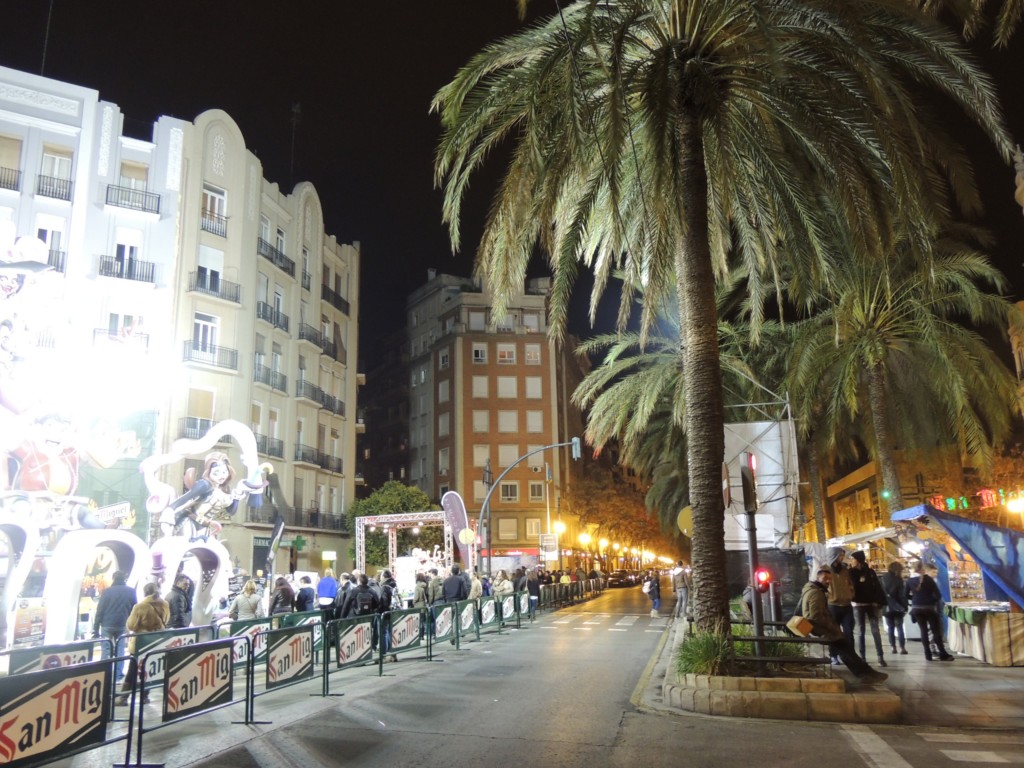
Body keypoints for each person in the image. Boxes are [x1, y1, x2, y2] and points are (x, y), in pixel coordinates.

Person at [799, 567, 888, 684]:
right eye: (825, 578)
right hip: (821, 630)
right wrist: (831, 626)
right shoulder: (816, 593)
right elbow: (816, 616)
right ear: (817, 577)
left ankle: (867, 672)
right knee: (845, 647)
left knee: (845, 648)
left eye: (830, 579)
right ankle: (865, 674)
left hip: (820, 628)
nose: (828, 581)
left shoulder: (812, 589)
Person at [115, 582, 169, 705]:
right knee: (148, 669)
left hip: (140, 642)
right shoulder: (165, 604)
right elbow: (166, 621)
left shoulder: (140, 606)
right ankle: (144, 697)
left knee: (132, 670)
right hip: (156, 641)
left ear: (145, 592)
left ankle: (123, 698)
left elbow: (131, 625)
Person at [93, 570, 137, 683]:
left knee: (106, 650)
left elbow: (100, 610)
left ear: (113, 578)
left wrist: (95, 628)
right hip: (122, 624)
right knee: (120, 650)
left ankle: (104, 675)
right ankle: (118, 676)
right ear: (124, 579)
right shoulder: (131, 591)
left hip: (107, 624)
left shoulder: (107, 592)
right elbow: (134, 610)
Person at [906, 561, 954, 662]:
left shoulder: (910, 581)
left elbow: (905, 595)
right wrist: (931, 600)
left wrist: (915, 598)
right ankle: (942, 653)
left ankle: (927, 654)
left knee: (923, 631)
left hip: (916, 608)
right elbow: (938, 595)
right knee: (936, 631)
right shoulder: (929, 580)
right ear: (923, 569)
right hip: (929, 608)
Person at [849, 550, 888, 667]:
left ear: (858, 560)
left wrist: (878, 601)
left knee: (875, 630)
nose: (851, 561)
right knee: (861, 631)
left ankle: (880, 656)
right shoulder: (850, 572)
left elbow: (876, 587)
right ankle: (863, 657)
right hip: (857, 605)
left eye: (853, 559)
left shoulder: (870, 572)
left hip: (871, 604)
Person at [826, 548, 855, 664]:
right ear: (834, 556)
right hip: (833, 605)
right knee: (834, 633)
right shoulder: (826, 570)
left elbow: (850, 584)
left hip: (847, 605)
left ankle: (851, 656)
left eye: (843, 555)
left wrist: (851, 594)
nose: (842, 557)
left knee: (849, 633)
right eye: (840, 555)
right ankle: (833, 655)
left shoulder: (845, 570)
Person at [879, 561, 908, 655]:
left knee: (890, 627)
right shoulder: (899, 579)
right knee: (899, 627)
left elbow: (880, 593)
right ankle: (902, 648)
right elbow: (902, 595)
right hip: (898, 607)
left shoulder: (882, 578)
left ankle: (893, 647)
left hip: (887, 607)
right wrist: (905, 606)